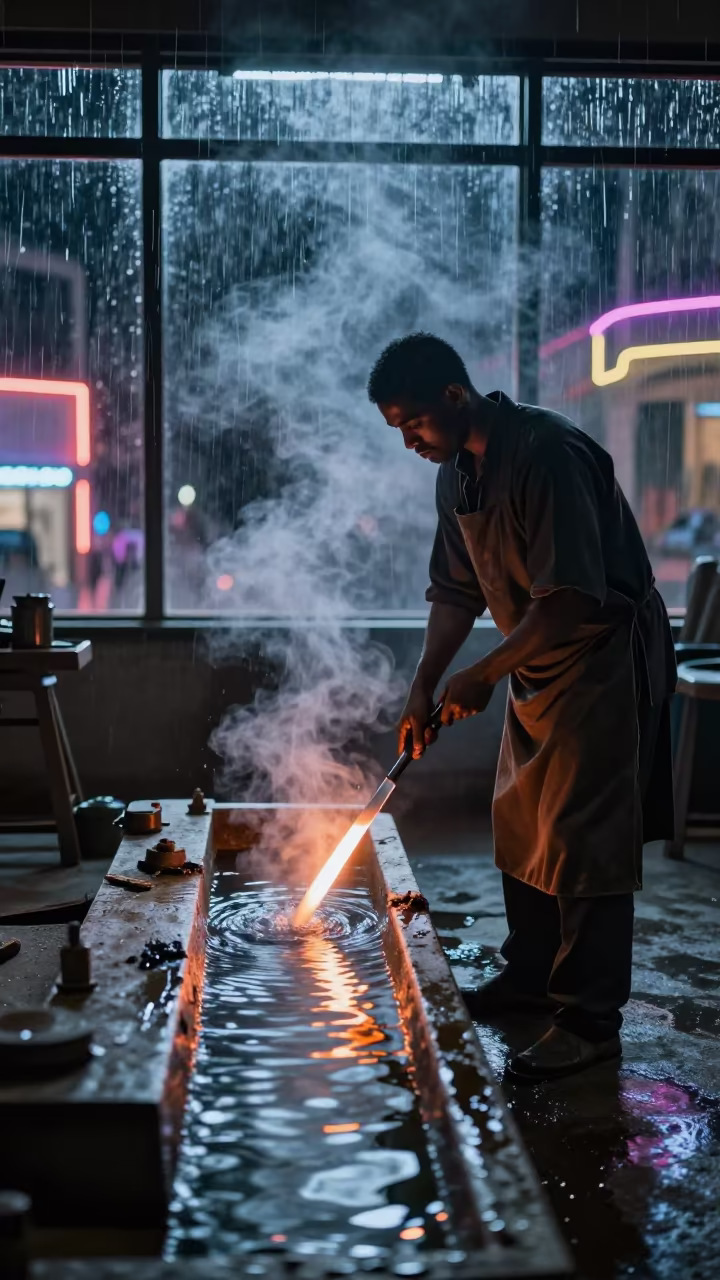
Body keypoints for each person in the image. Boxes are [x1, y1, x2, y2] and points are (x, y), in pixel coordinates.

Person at [367, 333, 677, 1082]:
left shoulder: (548, 453)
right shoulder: (455, 477)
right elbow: (454, 592)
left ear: (453, 395)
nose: (409, 442)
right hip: (536, 666)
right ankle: (530, 975)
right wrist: (423, 685)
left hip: (600, 658)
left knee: (583, 836)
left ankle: (589, 1020)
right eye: (396, 431)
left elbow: (570, 598)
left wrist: (485, 673)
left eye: (412, 424)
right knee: (521, 816)